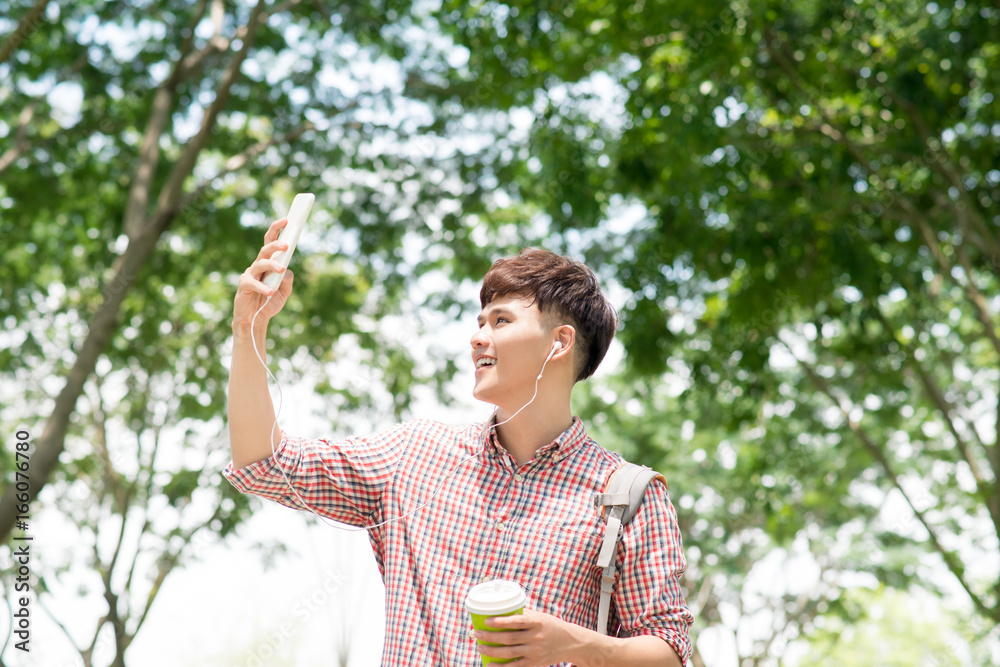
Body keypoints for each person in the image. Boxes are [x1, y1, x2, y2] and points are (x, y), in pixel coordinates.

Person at [224, 216, 694, 666]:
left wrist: (573, 643)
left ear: (560, 342)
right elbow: (264, 464)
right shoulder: (414, 455)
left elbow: (671, 652)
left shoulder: (627, 496)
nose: (476, 337)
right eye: (479, 321)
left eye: (500, 321)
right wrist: (249, 329)